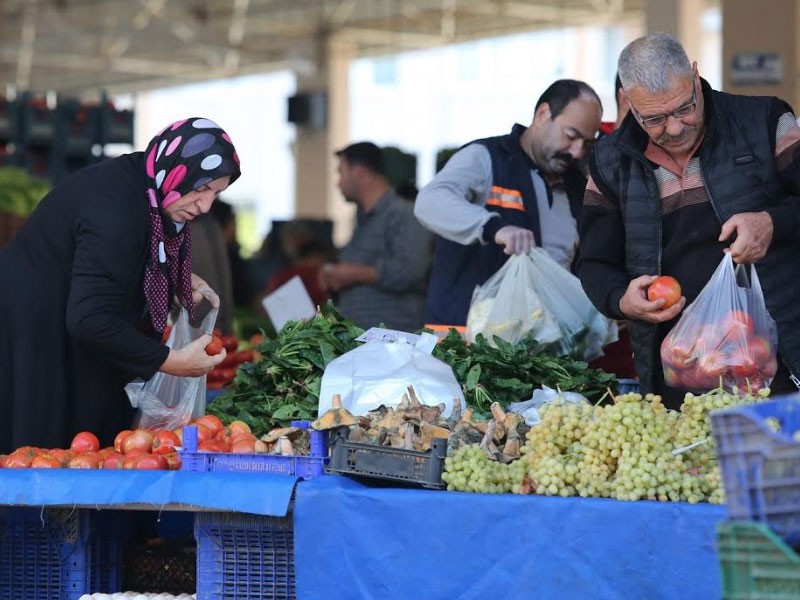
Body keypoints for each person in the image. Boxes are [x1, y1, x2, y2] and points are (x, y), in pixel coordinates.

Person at [578, 32, 800, 409]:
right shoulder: (609, 162)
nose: (675, 128)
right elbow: (593, 262)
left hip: (775, 361)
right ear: (627, 101)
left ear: (695, 76)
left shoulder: (765, 121)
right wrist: (621, 299)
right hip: (680, 373)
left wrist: (772, 222)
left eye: (685, 107)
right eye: (654, 118)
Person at [0, 116, 242, 452]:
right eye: (201, 188)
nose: (205, 206)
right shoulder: (114, 209)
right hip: (38, 335)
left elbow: (125, 260)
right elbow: (89, 317)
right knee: (40, 449)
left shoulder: (147, 185)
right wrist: (169, 360)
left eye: (217, 193)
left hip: (65, 332)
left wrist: (171, 277)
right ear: (174, 168)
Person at [414, 79, 603, 326]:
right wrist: (494, 228)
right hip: (465, 340)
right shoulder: (486, 158)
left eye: (586, 143)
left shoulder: (577, 186)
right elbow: (430, 201)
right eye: (571, 136)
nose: (577, 151)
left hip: (543, 342)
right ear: (542, 114)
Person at [320, 142, 433, 332]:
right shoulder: (363, 220)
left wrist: (353, 274)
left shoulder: (404, 215)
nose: (338, 183)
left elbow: (410, 270)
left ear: (360, 173)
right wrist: (335, 277)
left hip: (395, 338)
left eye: (341, 173)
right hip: (361, 336)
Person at [191, 211, 235, 334]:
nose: (204, 205)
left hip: (212, 328)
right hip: (196, 330)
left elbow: (224, 283)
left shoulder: (211, 225)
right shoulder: (201, 227)